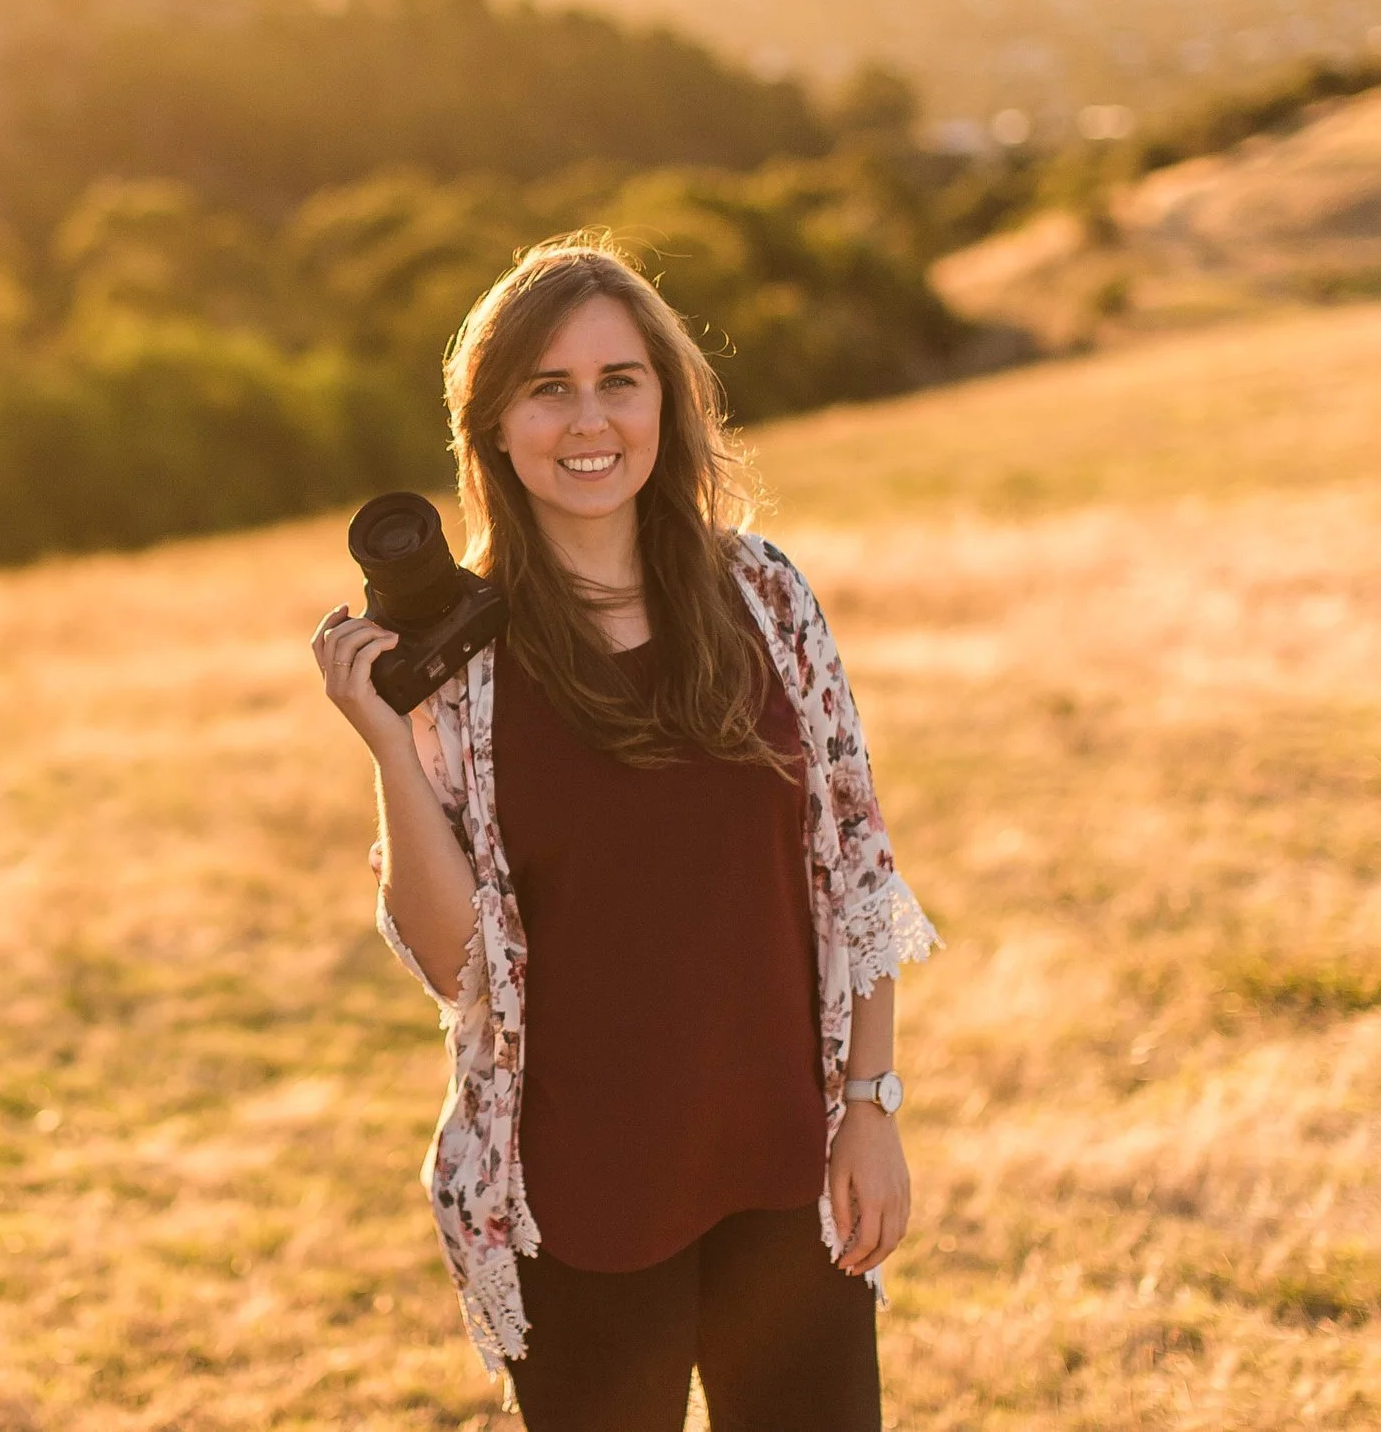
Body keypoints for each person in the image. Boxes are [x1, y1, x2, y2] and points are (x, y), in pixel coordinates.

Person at [310, 236, 939, 1430]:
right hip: (577, 1200)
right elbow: (457, 967)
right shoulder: (461, 665)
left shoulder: (764, 598)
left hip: (783, 1173)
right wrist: (390, 743)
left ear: (665, 402)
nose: (586, 418)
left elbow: (857, 863)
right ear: (491, 425)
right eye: (547, 387)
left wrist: (870, 1102)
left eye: (619, 380)